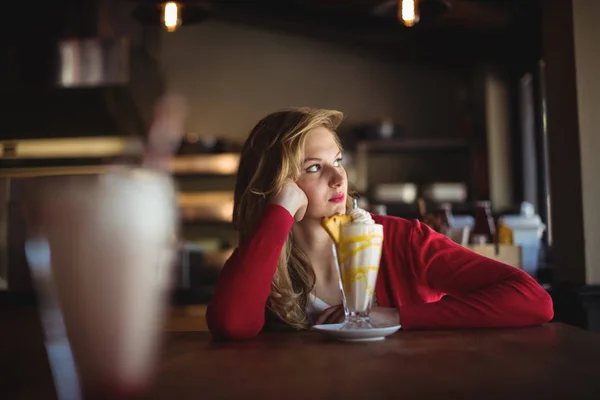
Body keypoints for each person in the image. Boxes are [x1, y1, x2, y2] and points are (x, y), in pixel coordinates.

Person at [206, 107, 554, 340]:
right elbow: (232, 325)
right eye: (314, 167)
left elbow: (533, 300)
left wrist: (396, 316)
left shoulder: (403, 240)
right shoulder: (263, 253)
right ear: (275, 182)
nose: (338, 177)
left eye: (337, 161)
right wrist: (279, 211)